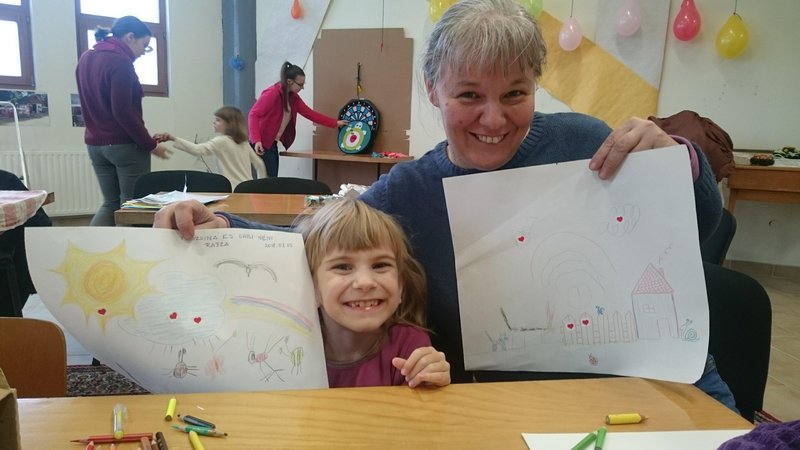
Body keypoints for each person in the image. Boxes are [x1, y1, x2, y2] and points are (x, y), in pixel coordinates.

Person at [154, 0, 735, 410]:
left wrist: (677, 164)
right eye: (468, 95)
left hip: (652, 385)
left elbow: (705, 227)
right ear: (433, 90)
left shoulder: (586, 142)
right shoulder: (410, 190)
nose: (493, 118)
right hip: (516, 406)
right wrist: (221, 223)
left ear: (535, 85)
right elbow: (318, 243)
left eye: (515, 93)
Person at [294, 198, 450, 388]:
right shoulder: (287, 345)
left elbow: (421, 402)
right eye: (343, 267)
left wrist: (431, 380)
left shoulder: (409, 344)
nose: (365, 282)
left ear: (400, 284)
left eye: (380, 265)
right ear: (311, 286)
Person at [76, 15, 171, 226]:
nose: (143, 52)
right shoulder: (120, 62)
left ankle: (90, 245)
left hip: (95, 145)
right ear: (130, 37)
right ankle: (128, 247)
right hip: (124, 146)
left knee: (110, 204)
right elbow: (123, 112)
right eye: (144, 45)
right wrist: (150, 145)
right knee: (132, 207)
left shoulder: (86, 58)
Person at [248, 61, 348, 177]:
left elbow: (310, 114)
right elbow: (253, 115)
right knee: (269, 181)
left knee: (272, 180)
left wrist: (335, 123)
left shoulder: (293, 97)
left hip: (272, 143)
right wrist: (256, 140)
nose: (302, 87)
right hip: (262, 143)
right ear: (289, 81)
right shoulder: (272, 94)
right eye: (300, 84)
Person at [154, 106, 266, 189]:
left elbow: (198, 149)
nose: (214, 122)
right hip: (246, 189)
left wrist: (173, 138)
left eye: (218, 120)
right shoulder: (243, 143)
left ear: (229, 124)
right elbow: (259, 164)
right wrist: (260, 186)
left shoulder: (221, 141)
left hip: (231, 190)